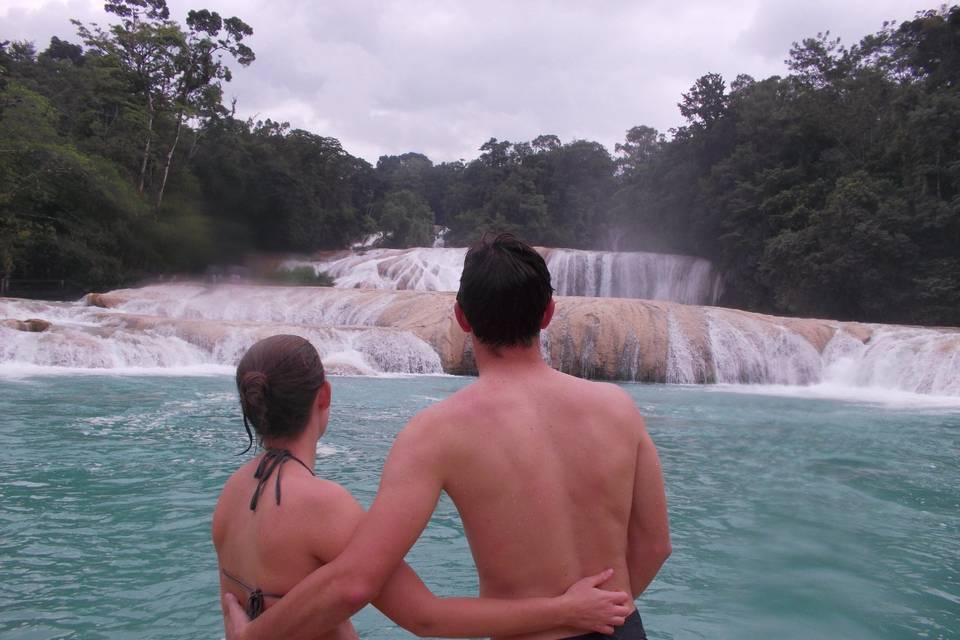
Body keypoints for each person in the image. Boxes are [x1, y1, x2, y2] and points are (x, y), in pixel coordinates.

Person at [224, 233, 671, 640]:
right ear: (548, 314)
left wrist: (251, 638)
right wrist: (604, 609)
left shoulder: (436, 433)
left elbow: (365, 587)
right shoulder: (619, 408)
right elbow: (655, 545)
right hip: (619, 626)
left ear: (461, 317)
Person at [213, 334, 632, 639]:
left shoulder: (230, 498)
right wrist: (564, 610)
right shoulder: (323, 505)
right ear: (324, 395)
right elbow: (426, 617)